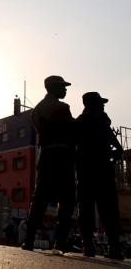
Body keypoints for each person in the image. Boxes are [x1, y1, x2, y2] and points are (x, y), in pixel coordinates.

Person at [22, 75, 76, 254]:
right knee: (67, 200)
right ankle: (60, 243)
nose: (66, 89)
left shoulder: (36, 110)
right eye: (63, 86)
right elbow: (71, 132)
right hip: (61, 157)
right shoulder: (61, 107)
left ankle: (28, 240)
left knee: (40, 199)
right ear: (53, 87)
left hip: (45, 157)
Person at [76, 92, 124, 260]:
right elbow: (118, 149)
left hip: (90, 171)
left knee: (92, 209)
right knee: (104, 209)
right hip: (98, 171)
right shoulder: (98, 123)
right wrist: (110, 159)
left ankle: (93, 246)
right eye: (100, 103)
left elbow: (117, 147)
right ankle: (109, 247)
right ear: (91, 105)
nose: (103, 105)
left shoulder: (84, 122)